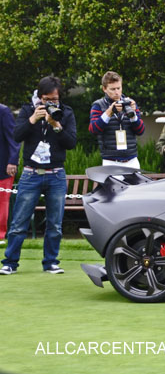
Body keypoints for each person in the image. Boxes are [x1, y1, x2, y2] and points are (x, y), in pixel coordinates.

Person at [1, 77, 77, 275]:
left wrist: (56, 125)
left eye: (54, 99)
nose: (51, 103)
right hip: (31, 173)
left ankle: (51, 262)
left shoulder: (66, 113)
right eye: (46, 99)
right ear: (39, 96)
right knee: (19, 222)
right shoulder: (28, 111)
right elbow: (16, 136)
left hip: (56, 174)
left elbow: (71, 143)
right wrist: (33, 119)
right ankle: (10, 262)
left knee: (55, 224)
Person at [88, 71, 145, 168]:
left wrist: (133, 116)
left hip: (132, 159)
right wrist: (109, 113)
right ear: (104, 89)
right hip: (110, 160)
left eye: (119, 88)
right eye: (113, 89)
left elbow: (140, 131)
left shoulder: (130, 103)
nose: (117, 92)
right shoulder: (98, 105)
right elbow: (93, 130)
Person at [1, 103, 20, 245]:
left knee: (2, 202)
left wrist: (13, 161)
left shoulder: (3, 111)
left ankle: (0, 235)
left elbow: (13, 138)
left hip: (3, 167)